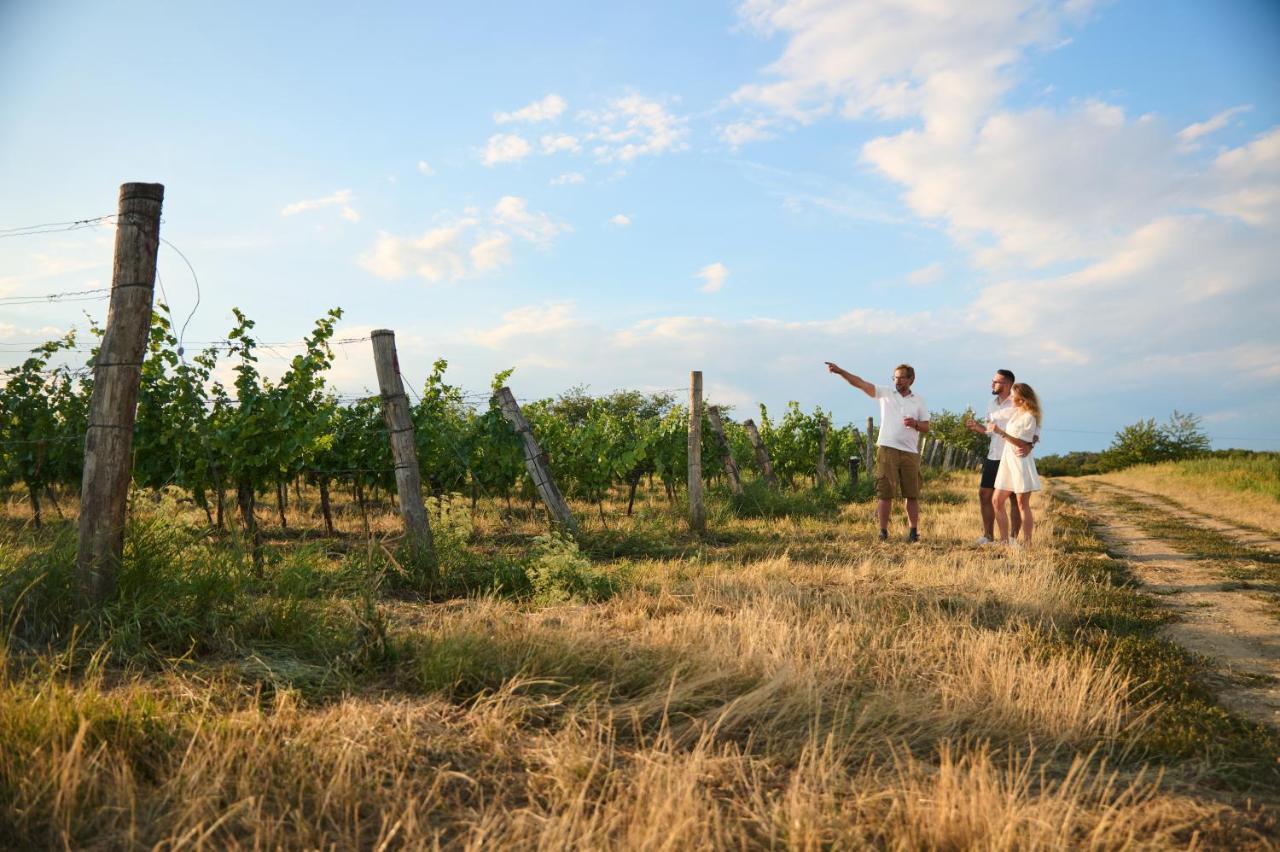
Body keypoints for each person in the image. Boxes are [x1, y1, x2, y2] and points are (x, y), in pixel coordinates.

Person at [825, 361, 930, 542]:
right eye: (895, 378)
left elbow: (926, 427)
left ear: (911, 379)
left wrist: (915, 424)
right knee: (885, 491)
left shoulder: (919, 400)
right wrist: (841, 371)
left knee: (912, 493)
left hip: (910, 452)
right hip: (887, 448)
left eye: (901, 378)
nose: (897, 381)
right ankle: (883, 531)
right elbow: (860, 383)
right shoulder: (885, 393)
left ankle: (913, 531)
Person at [964, 369, 1033, 545]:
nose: (992, 384)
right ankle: (988, 536)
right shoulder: (991, 403)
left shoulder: (1018, 401)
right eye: (993, 380)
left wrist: (1030, 445)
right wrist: (976, 426)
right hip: (994, 455)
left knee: (1013, 499)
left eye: (997, 381)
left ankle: (1012, 539)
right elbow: (989, 430)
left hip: (1012, 456)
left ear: (1008, 384)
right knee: (984, 494)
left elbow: (1033, 429)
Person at [988, 383, 1042, 545]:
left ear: (1021, 399)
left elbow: (1021, 443)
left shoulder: (1030, 418)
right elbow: (996, 415)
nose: (1010, 398)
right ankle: (1005, 541)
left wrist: (1000, 432)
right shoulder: (1016, 413)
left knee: (1021, 504)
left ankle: (1027, 543)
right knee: (996, 501)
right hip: (1007, 462)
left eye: (1012, 396)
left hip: (1020, 462)